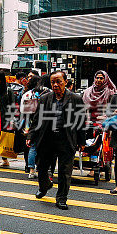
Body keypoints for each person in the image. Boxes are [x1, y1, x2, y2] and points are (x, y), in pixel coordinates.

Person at [29, 71, 86, 210]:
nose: (55, 85)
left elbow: (81, 121)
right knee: (41, 167)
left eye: (58, 81)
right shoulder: (44, 98)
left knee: (64, 171)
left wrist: (81, 141)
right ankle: (44, 186)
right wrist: (31, 136)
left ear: (65, 82)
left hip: (66, 139)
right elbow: (36, 119)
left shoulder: (76, 99)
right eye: (53, 82)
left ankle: (61, 198)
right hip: (47, 139)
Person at [19, 75, 44, 179]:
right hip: (42, 122)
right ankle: (40, 168)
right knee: (41, 147)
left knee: (31, 146)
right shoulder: (43, 94)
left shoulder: (27, 94)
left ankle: (31, 170)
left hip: (29, 123)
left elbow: (22, 110)